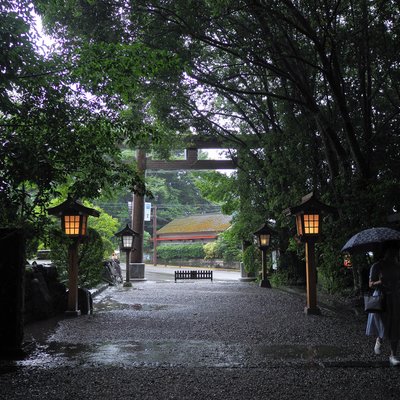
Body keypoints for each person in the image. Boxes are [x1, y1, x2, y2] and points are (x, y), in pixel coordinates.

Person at [367, 241, 400, 366]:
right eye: (391, 251)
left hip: (395, 297)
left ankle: (393, 354)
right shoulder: (377, 266)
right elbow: (370, 284)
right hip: (380, 298)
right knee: (383, 324)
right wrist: (379, 282)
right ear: (385, 252)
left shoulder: (397, 266)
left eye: (395, 251)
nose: (394, 253)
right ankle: (379, 338)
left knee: (395, 325)